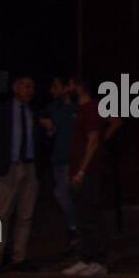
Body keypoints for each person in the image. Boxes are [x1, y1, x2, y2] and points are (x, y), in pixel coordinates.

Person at [0, 74, 54, 276]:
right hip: (8, 167)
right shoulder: (2, 112)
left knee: (25, 214)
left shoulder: (35, 112)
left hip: (30, 167)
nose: (30, 90)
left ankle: (19, 256)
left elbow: (44, 144)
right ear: (16, 88)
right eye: (26, 86)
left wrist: (48, 131)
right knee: (0, 214)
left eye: (32, 87)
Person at [62, 76, 121, 276]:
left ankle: (99, 260)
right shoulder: (81, 109)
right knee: (81, 216)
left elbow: (93, 139)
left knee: (91, 215)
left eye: (69, 84)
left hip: (87, 171)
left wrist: (82, 170)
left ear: (78, 87)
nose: (67, 88)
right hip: (79, 168)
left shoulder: (91, 107)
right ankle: (86, 257)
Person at [46, 76, 79, 253]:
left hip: (71, 160)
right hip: (56, 158)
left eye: (55, 86)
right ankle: (74, 230)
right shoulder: (52, 108)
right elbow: (49, 132)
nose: (52, 91)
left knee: (61, 193)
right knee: (63, 195)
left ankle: (74, 229)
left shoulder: (76, 108)